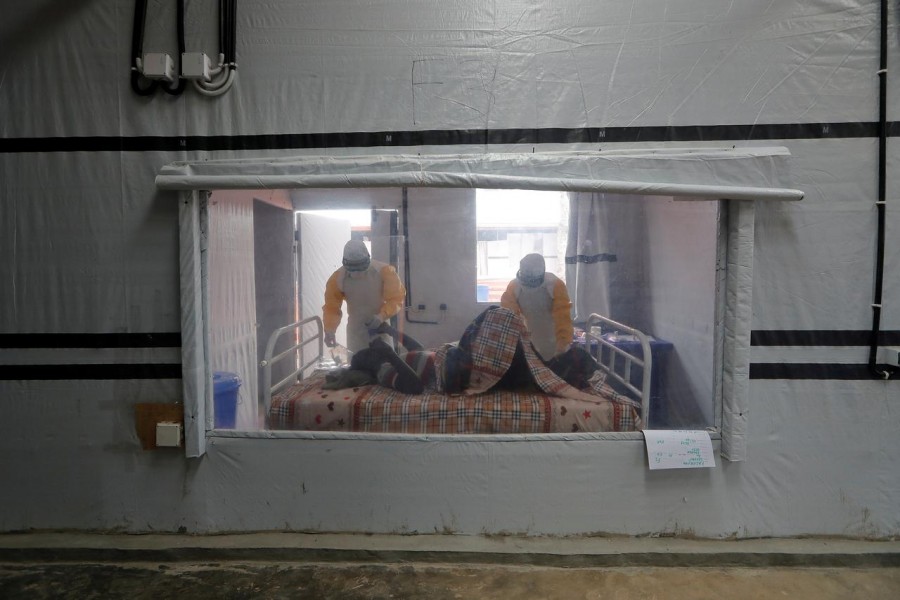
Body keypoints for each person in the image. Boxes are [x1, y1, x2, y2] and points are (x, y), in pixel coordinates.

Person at [322, 240, 406, 352]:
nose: (357, 272)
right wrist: (329, 330)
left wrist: (381, 316)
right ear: (345, 263)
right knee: (357, 365)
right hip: (356, 332)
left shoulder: (384, 271)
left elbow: (396, 298)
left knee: (385, 365)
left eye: (360, 266)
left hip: (380, 328)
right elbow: (332, 308)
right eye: (353, 267)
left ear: (368, 258)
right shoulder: (338, 278)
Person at [500, 253, 574, 361]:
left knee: (555, 369)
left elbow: (563, 316)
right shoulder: (514, 287)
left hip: (555, 340)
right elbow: (508, 316)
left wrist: (563, 342)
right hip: (529, 338)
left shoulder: (555, 285)